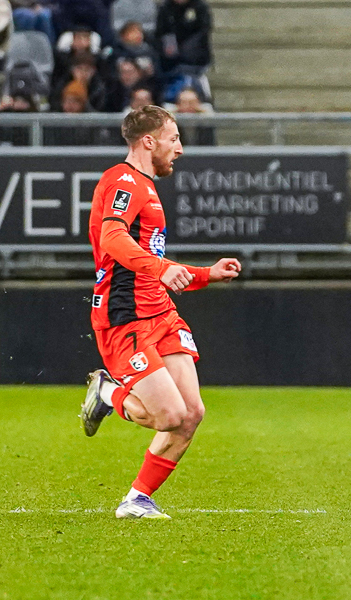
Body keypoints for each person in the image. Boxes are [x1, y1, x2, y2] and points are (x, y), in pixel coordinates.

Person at [81, 105, 242, 519]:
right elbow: (113, 237)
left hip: (161, 312)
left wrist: (207, 274)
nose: (180, 149)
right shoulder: (122, 180)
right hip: (125, 317)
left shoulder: (147, 187)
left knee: (191, 414)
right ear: (148, 141)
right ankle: (108, 392)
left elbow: (151, 258)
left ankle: (137, 499)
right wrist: (162, 267)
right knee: (168, 415)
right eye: (174, 139)